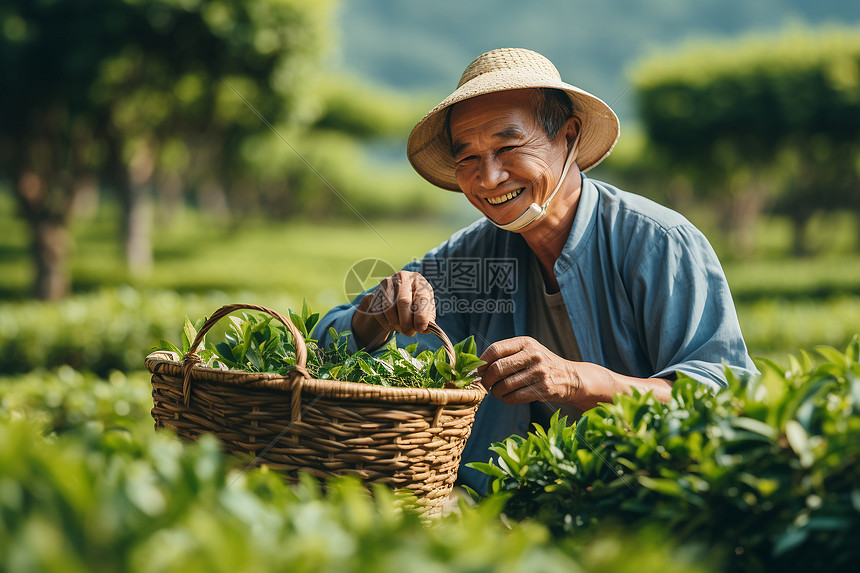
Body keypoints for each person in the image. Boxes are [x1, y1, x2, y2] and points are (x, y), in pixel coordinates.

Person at [312, 48, 756, 492]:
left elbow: (724, 394)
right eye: (467, 158)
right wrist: (376, 310)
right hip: (509, 505)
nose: (488, 178)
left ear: (568, 137)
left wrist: (578, 379)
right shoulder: (471, 259)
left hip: (644, 499)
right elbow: (325, 344)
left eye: (507, 147)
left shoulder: (657, 241)